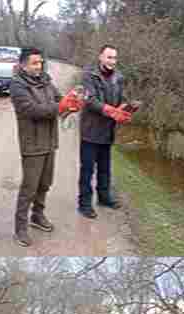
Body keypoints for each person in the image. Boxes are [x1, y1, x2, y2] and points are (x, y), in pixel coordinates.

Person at [10, 48, 84, 247]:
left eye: (41, 62)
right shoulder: (17, 85)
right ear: (24, 64)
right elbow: (32, 110)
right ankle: (20, 228)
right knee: (29, 187)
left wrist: (71, 103)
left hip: (49, 140)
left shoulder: (45, 80)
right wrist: (60, 107)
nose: (39, 66)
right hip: (32, 143)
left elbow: (59, 100)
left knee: (45, 183)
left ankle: (37, 215)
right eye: (35, 63)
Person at [77, 44, 134, 219]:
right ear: (100, 57)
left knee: (105, 168)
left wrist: (125, 110)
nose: (112, 61)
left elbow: (122, 99)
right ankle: (84, 204)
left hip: (108, 131)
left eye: (114, 58)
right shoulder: (89, 76)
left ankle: (104, 198)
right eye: (109, 57)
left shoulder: (119, 77)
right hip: (91, 130)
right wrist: (111, 111)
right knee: (87, 170)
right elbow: (91, 101)